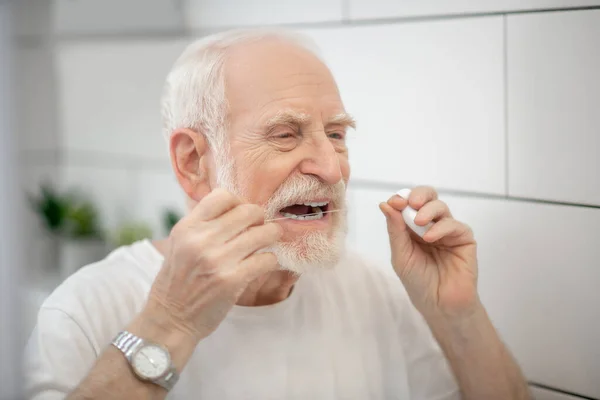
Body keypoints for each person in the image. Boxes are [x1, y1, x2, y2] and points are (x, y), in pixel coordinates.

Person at [24, 29, 530, 400]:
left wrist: (456, 315)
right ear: (194, 162)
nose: (332, 168)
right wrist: (169, 322)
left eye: (336, 134)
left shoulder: (370, 289)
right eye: (285, 134)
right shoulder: (83, 312)